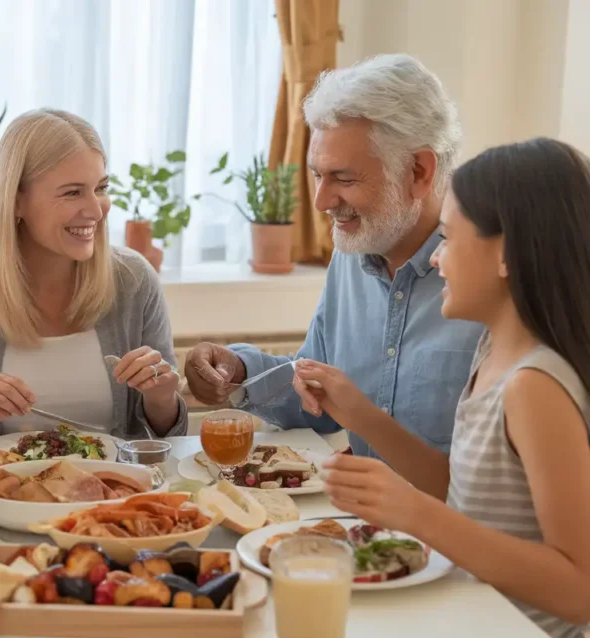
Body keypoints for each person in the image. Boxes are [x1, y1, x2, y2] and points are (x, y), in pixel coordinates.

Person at [294, 138, 590, 638]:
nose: (435, 260)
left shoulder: (534, 386)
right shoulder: (492, 353)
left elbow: (579, 590)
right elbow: (464, 490)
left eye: (449, 240)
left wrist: (417, 514)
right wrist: (360, 415)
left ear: (506, 254)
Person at [184, 54, 482, 457]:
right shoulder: (355, 250)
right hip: (354, 517)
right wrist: (239, 373)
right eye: (317, 175)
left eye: (344, 178)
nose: (322, 201)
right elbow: (320, 394)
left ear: (419, 172)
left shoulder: (492, 275)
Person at [0, 109, 187, 443]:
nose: (96, 210)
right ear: (17, 201)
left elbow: (168, 440)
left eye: (101, 188)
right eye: (73, 192)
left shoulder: (135, 280)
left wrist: (162, 398)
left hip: (117, 492)